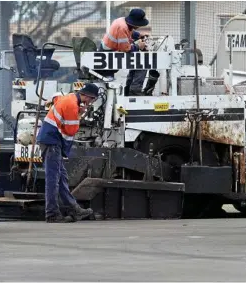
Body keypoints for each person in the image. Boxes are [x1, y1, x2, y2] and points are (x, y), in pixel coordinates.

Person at [36, 83, 99, 223]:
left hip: (50, 140)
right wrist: (80, 114)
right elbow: (70, 132)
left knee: (61, 177)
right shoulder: (72, 105)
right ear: (88, 96)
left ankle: (74, 209)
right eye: (92, 100)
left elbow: (57, 100)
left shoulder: (70, 97)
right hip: (52, 142)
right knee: (53, 179)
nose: (90, 103)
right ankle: (52, 214)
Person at [100, 8, 158, 96]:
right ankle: (135, 89)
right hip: (110, 54)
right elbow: (125, 49)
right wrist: (139, 46)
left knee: (136, 60)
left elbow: (129, 32)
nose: (139, 26)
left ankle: (129, 89)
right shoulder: (123, 27)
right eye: (139, 24)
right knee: (142, 62)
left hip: (109, 50)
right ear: (135, 23)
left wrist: (139, 35)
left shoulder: (122, 21)